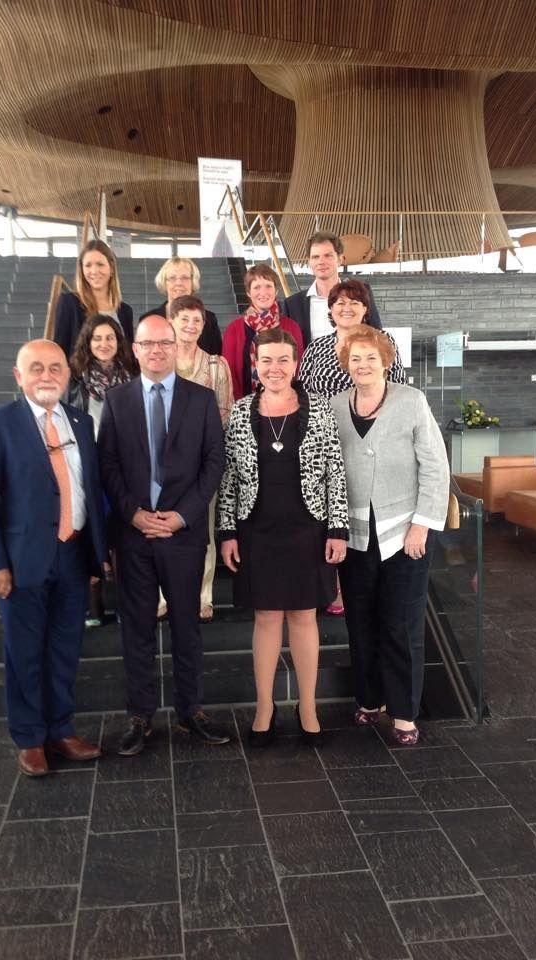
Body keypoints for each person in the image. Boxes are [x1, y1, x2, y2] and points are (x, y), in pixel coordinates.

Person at [0, 339, 108, 776]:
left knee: (65, 648)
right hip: (21, 560)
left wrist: (97, 554)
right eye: (36, 368)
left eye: (55, 367)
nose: (47, 376)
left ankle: (61, 730)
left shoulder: (81, 422)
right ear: (19, 375)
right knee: (24, 652)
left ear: (67, 374)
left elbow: (91, 489)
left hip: (73, 554)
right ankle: (29, 738)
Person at [98, 314, 229, 756]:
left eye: (164, 343)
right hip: (134, 535)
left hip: (183, 535)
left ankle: (191, 711)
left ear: (175, 347)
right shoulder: (117, 401)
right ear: (135, 349)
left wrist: (183, 515)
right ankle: (140, 715)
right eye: (148, 343)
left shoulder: (201, 398)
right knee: (136, 628)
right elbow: (107, 464)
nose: (156, 350)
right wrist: (133, 514)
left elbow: (214, 462)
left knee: (187, 627)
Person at [218, 327, 349, 747]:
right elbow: (229, 477)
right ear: (254, 364)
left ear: (296, 364)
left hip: (308, 528)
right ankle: (265, 707)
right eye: (267, 360)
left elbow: (335, 471)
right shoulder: (241, 411)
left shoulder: (319, 408)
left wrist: (338, 528)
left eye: (283, 360)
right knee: (266, 618)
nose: (275, 368)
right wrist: (226, 531)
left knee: (305, 617)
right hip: (256, 530)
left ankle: (307, 707)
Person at [331, 325, 450, 745]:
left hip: (405, 534)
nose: (363, 365)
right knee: (360, 622)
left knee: (401, 624)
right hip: (355, 536)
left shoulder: (411, 401)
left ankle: (404, 713)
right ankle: (369, 699)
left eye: (371, 357)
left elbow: (435, 467)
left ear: (386, 362)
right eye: (355, 359)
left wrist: (422, 524)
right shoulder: (334, 406)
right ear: (346, 365)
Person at [298, 278, 405, 615]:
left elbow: (397, 391)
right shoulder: (316, 348)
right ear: (330, 309)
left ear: (365, 308)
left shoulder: (382, 342)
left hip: (370, 442)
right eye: (339, 302)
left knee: (361, 512)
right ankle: (331, 584)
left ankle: (354, 587)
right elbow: (302, 396)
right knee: (328, 513)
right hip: (324, 444)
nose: (346, 308)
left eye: (354, 302)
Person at [160, 294, 233, 622]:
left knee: (203, 529)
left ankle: (203, 596)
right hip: (162, 463)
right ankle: (163, 595)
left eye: (197, 320)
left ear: (204, 325)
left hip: (203, 462)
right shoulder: (159, 361)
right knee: (162, 527)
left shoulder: (217, 365)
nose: (190, 326)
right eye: (184, 319)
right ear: (171, 322)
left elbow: (225, 413)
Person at [68, 314, 135, 626]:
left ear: (119, 342)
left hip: (124, 464)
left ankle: (125, 603)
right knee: (92, 532)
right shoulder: (76, 379)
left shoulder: (132, 375)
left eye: (110, 338)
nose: (104, 344)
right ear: (88, 342)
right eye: (97, 338)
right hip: (88, 464)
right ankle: (94, 606)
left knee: (122, 535)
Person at [222, 264, 304, 400]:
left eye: (268, 286)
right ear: (248, 293)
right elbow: (228, 374)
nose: (263, 292)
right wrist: (241, 405)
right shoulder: (233, 330)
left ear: (276, 291)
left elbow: (298, 368)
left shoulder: (292, 327)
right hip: (244, 405)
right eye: (257, 287)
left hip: (285, 402)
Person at [284, 231, 382, 345]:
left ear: (340, 259)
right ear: (309, 262)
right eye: (315, 257)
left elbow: (378, 337)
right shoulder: (292, 305)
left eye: (328, 256)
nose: (321, 262)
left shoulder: (361, 293)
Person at [54, 239, 134, 361]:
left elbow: (129, 357)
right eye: (88, 265)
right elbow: (59, 351)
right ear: (82, 270)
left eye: (100, 264)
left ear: (112, 268)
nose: (94, 271)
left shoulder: (125, 311)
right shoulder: (69, 303)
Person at [140, 256, 222, 355]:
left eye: (184, 278)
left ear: (193, 281)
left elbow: (215, 357)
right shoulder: (148, 319)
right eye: (172, 278)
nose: (178, 283)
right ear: (164, 282)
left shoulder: (209, 319)